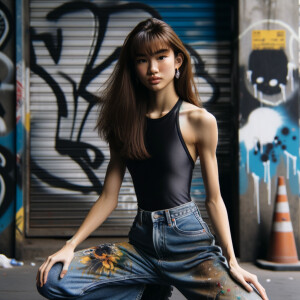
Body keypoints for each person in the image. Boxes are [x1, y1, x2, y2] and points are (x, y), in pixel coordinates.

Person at [36, 18, 268, 300]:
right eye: (142, 60)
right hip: (143, 247)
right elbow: (109, 197)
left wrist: (232, 261)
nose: (153, 68)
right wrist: (70, 245)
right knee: (52, 281)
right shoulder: (124, 122)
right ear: (133, 67)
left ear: (178, 60)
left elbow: (214, 199)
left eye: (162, 57)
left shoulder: (199, 120)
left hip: (190, 248)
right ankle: (148, 288)